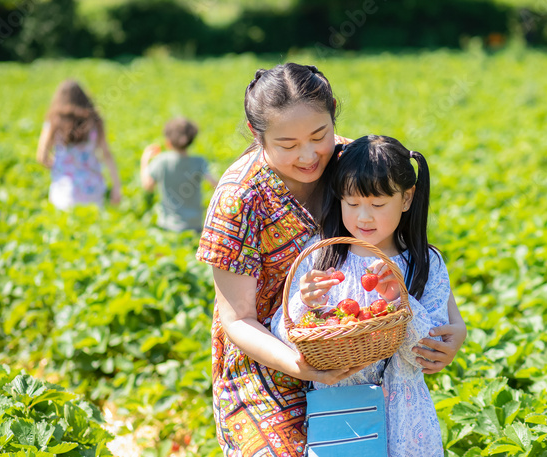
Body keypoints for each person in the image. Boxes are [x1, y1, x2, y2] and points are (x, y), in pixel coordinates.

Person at [195, 63, 467, 456]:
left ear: (333, 114)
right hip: (267, 361)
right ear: (258, 135)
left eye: (319, 135)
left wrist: (454, 327)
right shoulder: (240, 197)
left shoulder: (350, 160)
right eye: (287, 144)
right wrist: (301, 365)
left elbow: (407, 250)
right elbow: (237, 319)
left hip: (359, 358)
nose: (308, 156)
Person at [272, 135, 448, 456]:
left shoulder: (424, 263)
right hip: (339, 415)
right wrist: (303, 303)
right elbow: (283, 333)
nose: (363, 217)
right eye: (352, 204)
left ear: (407, 198)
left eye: (378, 204)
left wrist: (401, 301)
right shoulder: (321, 257)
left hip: (405, 420)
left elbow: (426, 353)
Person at [36, 79, 122, 209]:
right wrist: (116, 185)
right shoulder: (94, 121)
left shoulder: (54, 122)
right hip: (92, 190)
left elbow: (41, 157)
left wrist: (60, 165)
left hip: (64, 191)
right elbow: (106, 154)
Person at [140, 117, 217, 233]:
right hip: (195, 224)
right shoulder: (199, 161)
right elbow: (216, 185)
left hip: (168, 226)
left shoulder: (162, 161)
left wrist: (144, 159)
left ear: (168, 142)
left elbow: (148, 186)